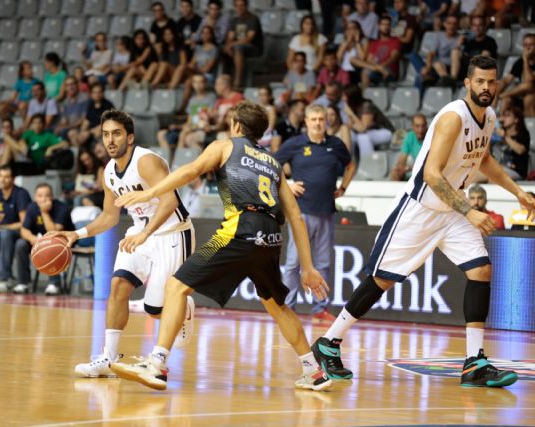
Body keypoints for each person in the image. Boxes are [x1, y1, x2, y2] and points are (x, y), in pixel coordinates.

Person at [310, 55, 535, 388]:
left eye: (492, 82)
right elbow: (431, 173)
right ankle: (329, 341)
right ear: (468, 83)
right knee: (381, 281)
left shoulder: (488, 118)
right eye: (481, 81)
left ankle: (475, 362)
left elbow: (483, 159)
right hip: (422, 209)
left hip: (453, 212)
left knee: (481, 270)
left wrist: (517, 191)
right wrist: (470, 210)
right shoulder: (453, 118)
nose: (487, 88)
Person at [109, 101, 332, 392]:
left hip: (241, 228)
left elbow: (191, 170)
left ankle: (157, 364)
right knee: (277, 306)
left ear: (236, 126)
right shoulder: (273, 164)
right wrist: (308, 266)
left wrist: (150, 192)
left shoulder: (226, 146)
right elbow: (296, 217)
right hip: (271, 238)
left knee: (175, 287)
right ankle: (314, 371)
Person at [48, 109, 196, 377]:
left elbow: (170, 201)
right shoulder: (108, 173)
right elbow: (109, 216)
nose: (110, 140)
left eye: (116, 134)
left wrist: (145, 234)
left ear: (130, 138)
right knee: (117, 285)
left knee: (154, 309)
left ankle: (182, 309)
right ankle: (109, 358)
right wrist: (75, 234)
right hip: (140, 232)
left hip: (172, 232)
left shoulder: (146, 162)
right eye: (105, 135)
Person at [275, 104, 356, 319]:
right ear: (306, 122)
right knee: (293, 262)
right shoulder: (294, 144)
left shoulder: (336, 144)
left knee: (323, 263)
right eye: (314, 119)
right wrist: (287, 186)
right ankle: (287, 307)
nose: (318, 123)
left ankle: (320, 308)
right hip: (300, 213)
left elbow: (350, 165)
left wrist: (344, 187)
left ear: (326, 121)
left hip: (327, 212)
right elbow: (271, 165)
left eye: (321, 119)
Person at [16, 183, 73, 295]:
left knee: (51, 245)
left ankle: (54, 283)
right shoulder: (32, 207)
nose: (43, 199)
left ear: (52, 196)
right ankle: (24, 282)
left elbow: (54, 231)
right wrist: (33, 239)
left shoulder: (62, 208)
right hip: (41, 241)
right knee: (20, 244)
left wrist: (44, 212)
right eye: (40, 196)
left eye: (47, 195)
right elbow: (24, 230)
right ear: (35, 197)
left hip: (63, 242)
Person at [0, 165, 32, 293]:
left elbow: (24, 223)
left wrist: (2, 226)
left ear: (13, 179)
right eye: (0, 176)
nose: (2, 180)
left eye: (6, 177)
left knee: (7, 234)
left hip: (19, 233)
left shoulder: (21, 194)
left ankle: (4, 279)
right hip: (1, 233)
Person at [350, 15, 401, 89]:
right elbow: (369, 59)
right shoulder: (374, 43)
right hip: (376, 69)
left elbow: (393, 57)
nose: (386, 27)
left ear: (390, 27)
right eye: (383, 24)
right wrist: (377, 67)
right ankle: (377, 68)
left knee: (365, 72)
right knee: (353, 59)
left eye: (388, 25)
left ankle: (364, 97)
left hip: (389, 71)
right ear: (379, 26)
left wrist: (382, 66)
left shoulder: (395, 41)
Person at [224, 0, 264, 88]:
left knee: (238, 47)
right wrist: (228, 46)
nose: (239, 8)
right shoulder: (234, 20)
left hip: (254, 48)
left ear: (246, 6)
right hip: (237, 46)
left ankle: (238, 81)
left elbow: (249, 38)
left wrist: (232, 45)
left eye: (242, 5)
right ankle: (224, 80)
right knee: (222, 49)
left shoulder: (253, 19)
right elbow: (230, 37)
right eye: (237, 6)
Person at [495, 33, 534, 117]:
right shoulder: (520, 62)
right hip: (522, 95)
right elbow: (506, 80)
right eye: (525, 45)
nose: (527, 48)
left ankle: (531, 127)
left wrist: (526, 60)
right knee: (506, 100)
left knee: (528, 95)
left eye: (531, 45)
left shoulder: (524, 60)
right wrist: (496, 92)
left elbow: (529, 82)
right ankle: (502, 125)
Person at [450, 15, 498, 81]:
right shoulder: (470, 42)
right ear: (471, 27)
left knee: (484, 55)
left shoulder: (490, 41)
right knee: (455, 52)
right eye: (474, 25)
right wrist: (458, 45)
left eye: (480, 25)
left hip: (483, 72)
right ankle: (453, 80)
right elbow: (465, 57)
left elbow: (487, 58)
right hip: (469, 69)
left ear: (484, 27)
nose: (477, 28)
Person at [492, 105, 531, 181]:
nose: (503, 118)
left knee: (493, 176)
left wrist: (505, 136)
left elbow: (520, 150)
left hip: (516, 171)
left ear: (516, 119)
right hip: (500, 167)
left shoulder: (523, 134)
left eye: (507, 116)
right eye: (503, 116)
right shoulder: (498, 134)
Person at [74, 83, 115, 147]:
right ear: (91, 94)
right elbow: (86, 121)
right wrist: (82, 132)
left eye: (99, 92)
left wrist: (89, 132)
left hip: (103, 130)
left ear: (103, 93)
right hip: (91, 130)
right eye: (95, 92)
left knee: (97, 133)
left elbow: (106, 124)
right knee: (75, 135)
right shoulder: (91, 105)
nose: (97, 95)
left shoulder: (108, 105)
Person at [390, 113, 428, 181]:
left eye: (423, 126)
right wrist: (400, 168)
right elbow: (402, 158)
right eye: (417, 126)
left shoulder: (431, 138)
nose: (420, 130)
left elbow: (427, 165)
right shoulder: (409, 137)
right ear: (412, 126)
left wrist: (407, 168)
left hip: (427, 172)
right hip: (414, 170)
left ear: (426, 126)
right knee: (395, 173)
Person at [55, 76, 89, 143]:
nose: (70, 87)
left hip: (81, 127)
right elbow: (64, 120)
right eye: (67, 85)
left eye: (72, 84)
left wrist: (67, 127)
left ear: (77, 85)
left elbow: (83, 119)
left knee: (71, 133)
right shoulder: (65, 102)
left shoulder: (84, 98)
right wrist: (59, 127)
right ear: (65, 88)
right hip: (69, 127)